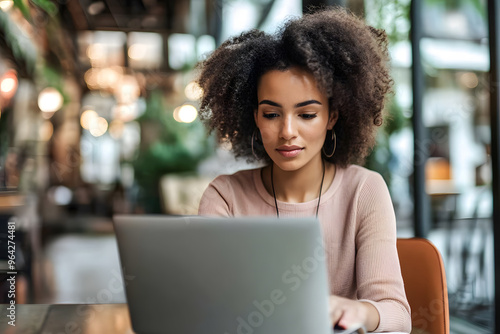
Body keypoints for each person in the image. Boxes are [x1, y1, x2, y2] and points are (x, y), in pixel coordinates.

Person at [196, 7, 411, 333]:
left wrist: (356, 311)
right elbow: (206, 304)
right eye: (271, 114)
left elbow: (397, 314)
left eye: (306, 115)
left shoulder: (364, 191)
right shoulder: (225, 197)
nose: (287, 132)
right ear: (255, 117)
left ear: (332, 117)